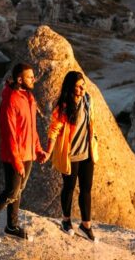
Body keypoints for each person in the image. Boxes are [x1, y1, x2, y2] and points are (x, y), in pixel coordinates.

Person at [0, 63, 48, 241]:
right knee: (10, 192)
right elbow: (9, 134)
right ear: (19, 79)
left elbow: (31, 128)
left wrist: (38, 149)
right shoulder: (10, 100)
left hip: (28, 154)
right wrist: (16, 161)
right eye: (30, 76)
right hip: (13, 155)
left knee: (18, 191)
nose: (34, 79)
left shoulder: (28, 97)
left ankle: (11, 226)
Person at [46, 70, 99, 240]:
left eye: (83, 85)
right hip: (70, 155)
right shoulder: (63, 107)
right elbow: (53, 130)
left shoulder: (88, 101)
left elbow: (91, 122)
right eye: (78, 86)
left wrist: (94, 140)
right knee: (68, 188)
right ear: (70, 88)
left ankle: (86, 225)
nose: (82, 89)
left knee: (86, 189)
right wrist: (48, 151)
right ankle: (66, 220)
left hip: (87, 154)